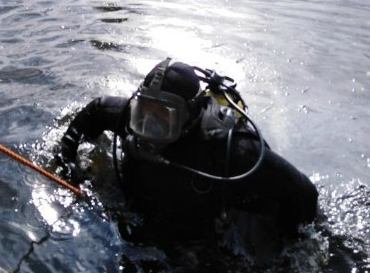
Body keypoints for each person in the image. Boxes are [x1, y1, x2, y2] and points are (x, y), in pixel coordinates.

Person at [56, 58, 318, 238]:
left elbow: (304, 194)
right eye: (144, 111)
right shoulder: (131, 119)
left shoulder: (228, 149)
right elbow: (96, 110)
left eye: (163, 116)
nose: (149, 125)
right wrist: (65, 162)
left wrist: (285, 243)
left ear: (190, 113)